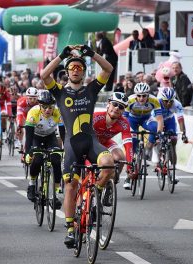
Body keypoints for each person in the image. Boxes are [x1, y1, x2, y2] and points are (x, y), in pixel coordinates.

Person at [40, 44, 115, 248]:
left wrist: (92, 54)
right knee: (71, 186)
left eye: (79, 68)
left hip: (90, 142)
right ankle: (71, 230)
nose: (75, 70)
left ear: (83, 72)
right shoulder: (59, 93)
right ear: (67, 72)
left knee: (109, 164)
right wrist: (61, 56)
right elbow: (44, 75)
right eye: (72, 68)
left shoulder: (91, 89)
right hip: (72, 145)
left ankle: (93, 194)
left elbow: (108, 69)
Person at [24, 90, 65, 208]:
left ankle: (56, 194)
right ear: (40, 106)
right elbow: (29, 136)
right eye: (45, 107)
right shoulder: (33, 113)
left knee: (56, 161)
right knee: (37, 160)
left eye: (50, 107)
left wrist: (66, 149)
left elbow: (63, 134)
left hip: (51, 137)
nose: (48, 110)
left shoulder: (57, 113)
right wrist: (28, 152)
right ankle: (32, 184)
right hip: (35, 137)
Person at [123, 82, 164, 189]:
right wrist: (127, 132)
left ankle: (147, 149)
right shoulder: (130, 100)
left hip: (146, 118)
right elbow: (124, 119)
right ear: (135, 95)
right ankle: (128, 175)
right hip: (132, 120)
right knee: (132, 144)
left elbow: (159, 119)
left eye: (144, 96)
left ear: (148, 95)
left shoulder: (154, 100)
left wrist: (158, 133)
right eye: (139, 96)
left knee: (155, 128)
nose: (141, 98)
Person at [93, 92, 135, 182]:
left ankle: (113, 180)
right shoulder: (96, 117)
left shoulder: (124, 123)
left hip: (106, 142)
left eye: (121, 107)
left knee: (120, 157)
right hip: (92, 143)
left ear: (123, 111)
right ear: (108, 103)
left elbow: (128, 146)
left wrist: (129, 167)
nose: (116, 108)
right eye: (115, 104)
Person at [155, 88, 188, 183]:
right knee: (157, 139)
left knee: (173, 141)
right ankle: (158, 158)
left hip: (170, 120)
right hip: (157, 120)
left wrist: (184, 134)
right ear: (162, 99)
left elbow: (181, 120)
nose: (169, 103)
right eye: (166, 101)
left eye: (171, 101)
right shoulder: (156, 103)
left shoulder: (177, 104)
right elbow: (155, 120)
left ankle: (173, 172)